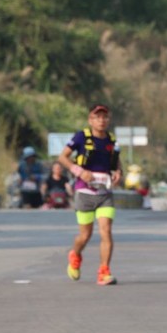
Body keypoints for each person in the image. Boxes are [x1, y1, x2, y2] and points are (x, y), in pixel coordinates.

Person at [55, 103, 122, 286]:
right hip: (84, 193)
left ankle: (104, 272)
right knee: (85, 236)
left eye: (104, 117)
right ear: (90, 120)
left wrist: (118, 172)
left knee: (106, 231)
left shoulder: (111, 140)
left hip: (105, 193)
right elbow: (62, 158)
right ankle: (75, 255)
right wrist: (79, 171)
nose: (101, 120)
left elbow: (116, 161)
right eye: (97, 117)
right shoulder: (81, 137)